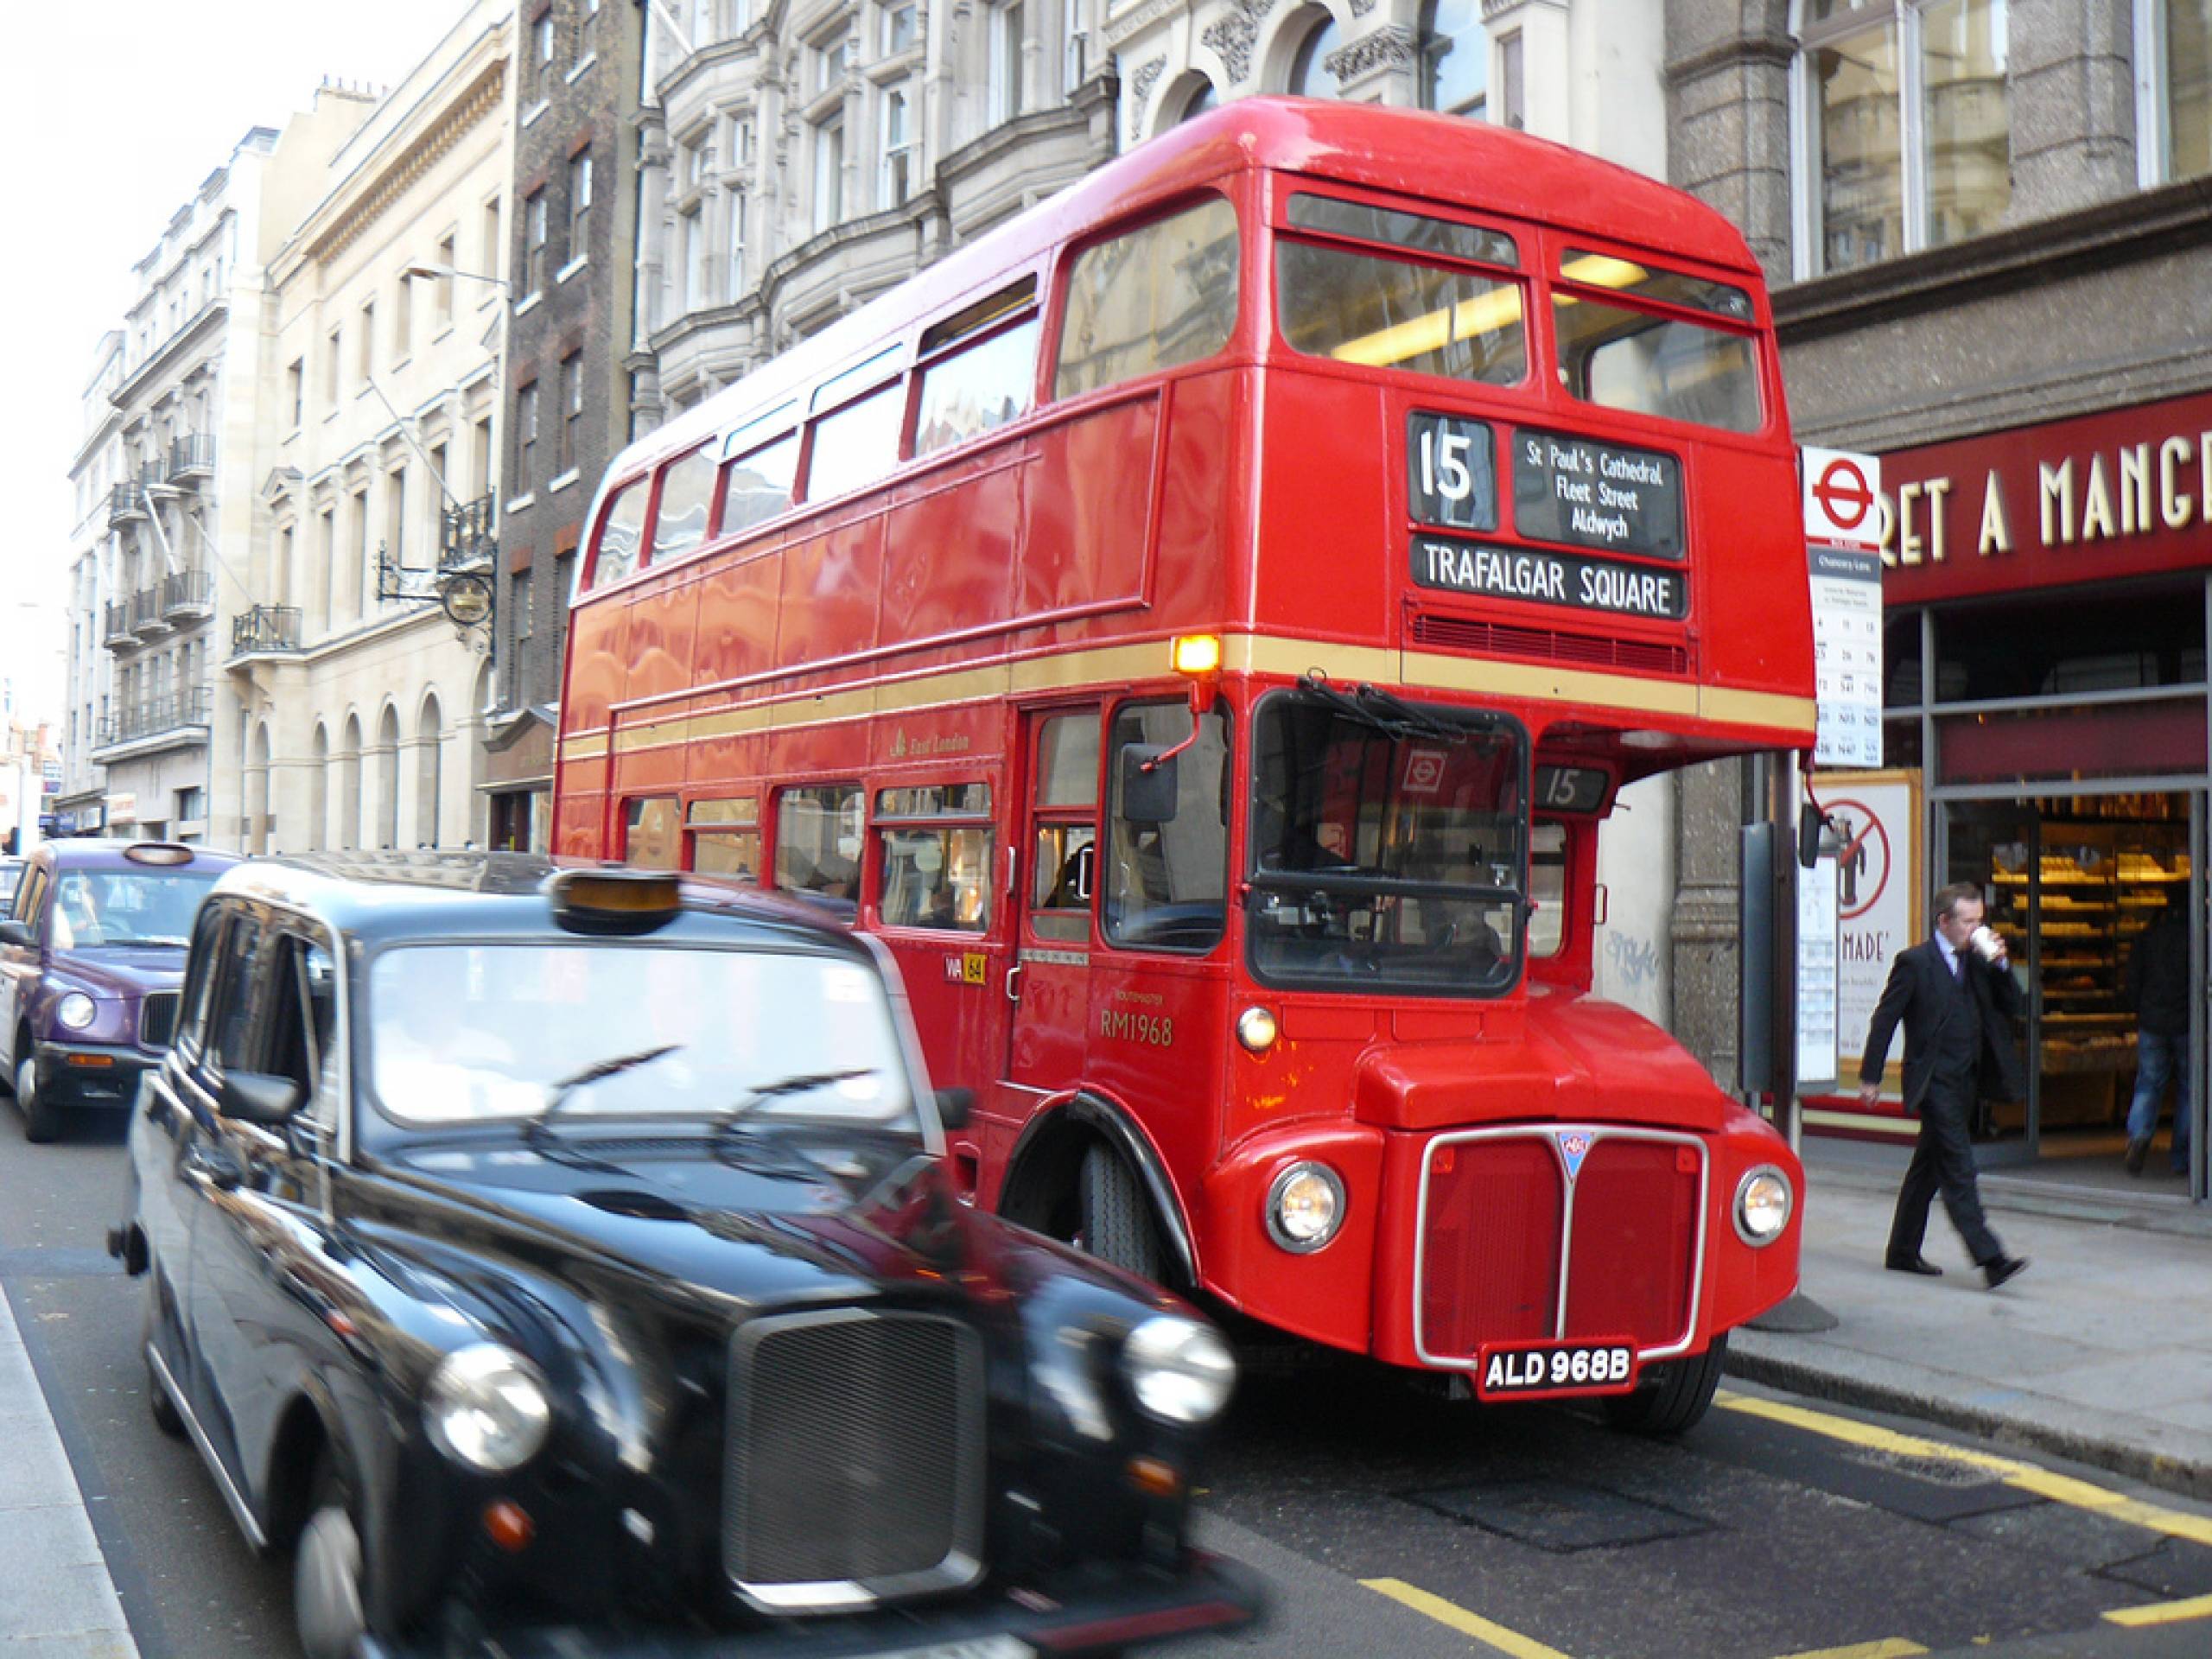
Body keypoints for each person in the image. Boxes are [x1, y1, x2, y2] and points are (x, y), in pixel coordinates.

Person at [1857, 880, 2031, 1289]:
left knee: (1928, 1169)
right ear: (1944, 922)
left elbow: (2016, 1007)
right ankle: (1991, 1257)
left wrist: (2003, 964)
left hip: (1966, 1079)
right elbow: (1886, 1019)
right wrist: (1870, 1075)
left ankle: (1901, 1250)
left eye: (1979, 921)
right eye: (1968, 922)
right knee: (1958, 1166)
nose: (1976, 930)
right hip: (1933, 1080)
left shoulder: (1980, 960)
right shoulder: (1916, 962)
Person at [2124, 894, 2191, 1176]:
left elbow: (2133, 980)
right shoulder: (2197, 938)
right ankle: (2182, 1157)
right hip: (2187, 1023)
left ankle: (2139, 1134)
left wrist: (2134, 1010)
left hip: (2152, 1022)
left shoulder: (2148, 937)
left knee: (2148, 1084)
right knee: (2191, 1089)